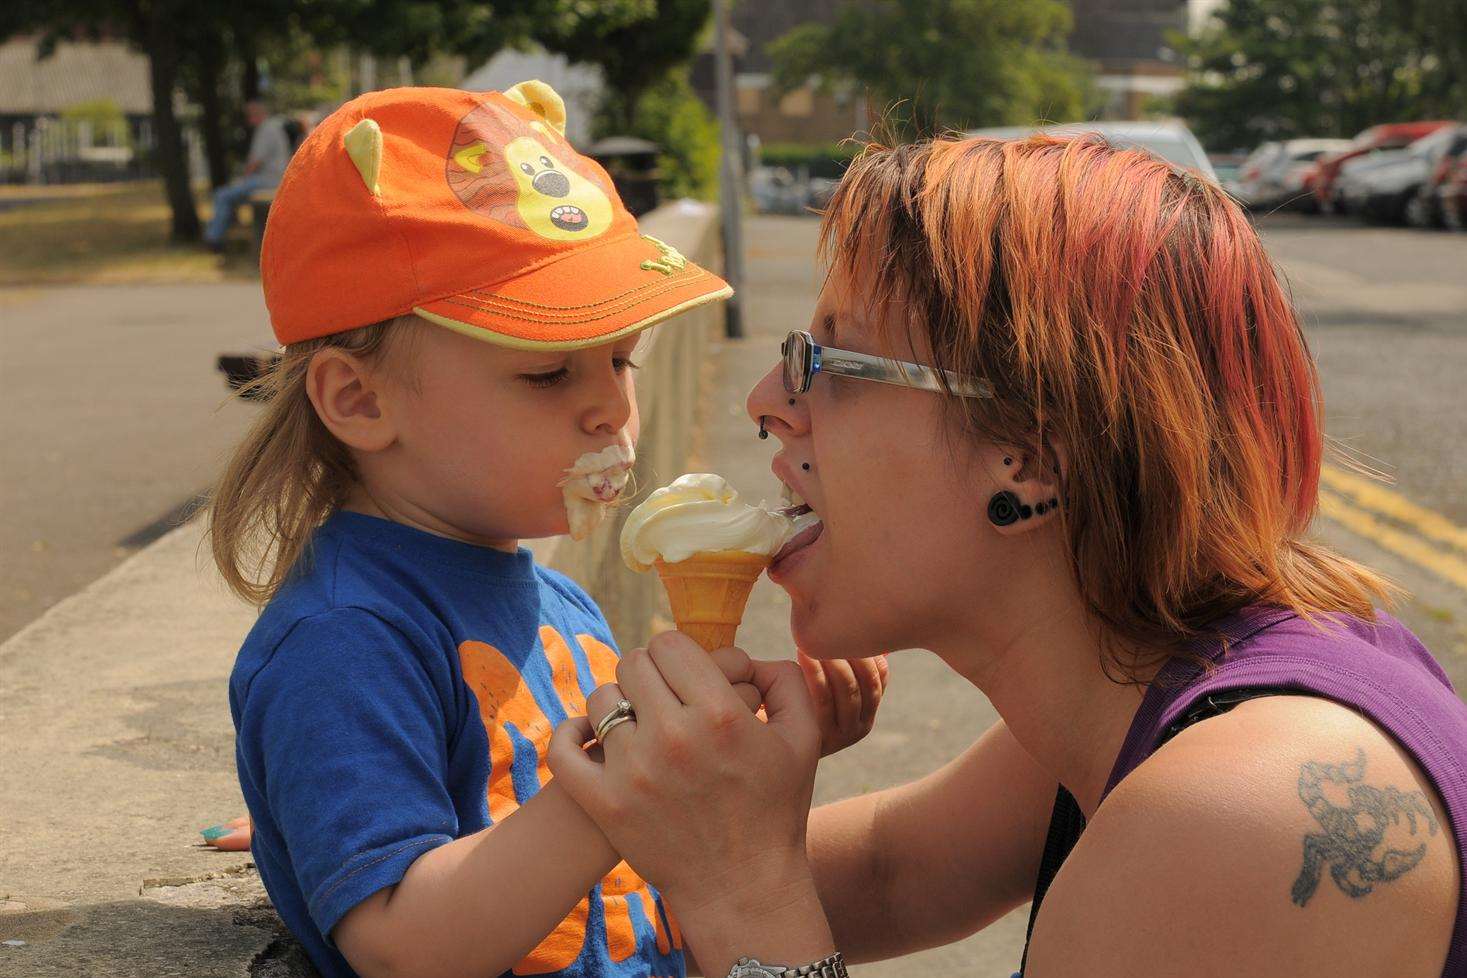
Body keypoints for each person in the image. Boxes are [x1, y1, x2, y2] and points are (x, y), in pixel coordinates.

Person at [548, 133, 1467, 978]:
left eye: (832, 363)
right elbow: (892, 872)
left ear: (1028, 456)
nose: (766, 401)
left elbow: (762, 892)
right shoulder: (1157, 684)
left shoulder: (1246, 815)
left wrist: (743, 896)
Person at [207, 80, 888, 978]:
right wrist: (628, 785)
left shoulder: (557, 598)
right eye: (547, 376)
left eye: (618, 359)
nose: (609, 405)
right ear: (359, 400)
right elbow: (402, 944)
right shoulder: (345, 639)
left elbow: (629, 862)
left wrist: (735, 761)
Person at [202, 99, 294, 251]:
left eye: (250, 116)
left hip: (267, 180)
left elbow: (254, 162)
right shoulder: (273, 127)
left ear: (256, 114)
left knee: (223, 195)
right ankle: (219, 235)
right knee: (228, 196)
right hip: (274, 178)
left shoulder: (266, 130)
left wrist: (243, 179)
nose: (248, 120)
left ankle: (214, 239)